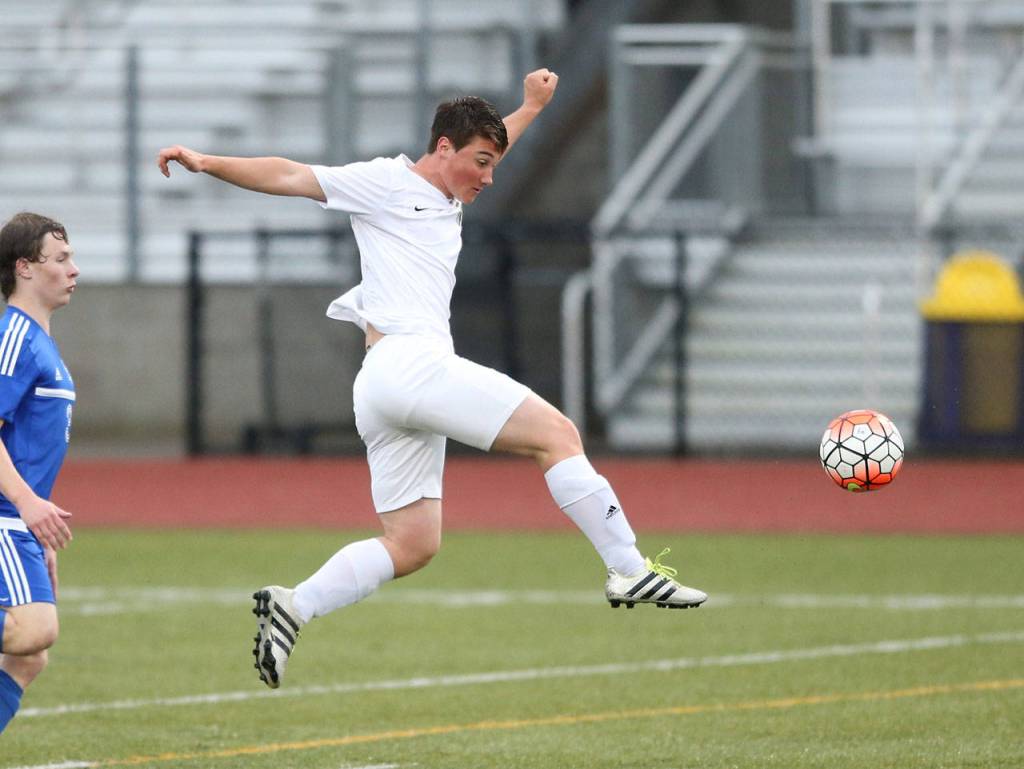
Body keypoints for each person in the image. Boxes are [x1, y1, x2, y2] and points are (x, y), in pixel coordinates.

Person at [157, 69, 706, 689]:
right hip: (410, 365)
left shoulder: (450, 190)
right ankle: (628, 567)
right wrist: (205, 161)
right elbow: (289, 174)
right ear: (441, 148)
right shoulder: (386, 182)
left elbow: (489, 143)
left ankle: (294, 605)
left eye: (493, 163)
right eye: (480, 162)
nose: (488, 176)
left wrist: (530, 108)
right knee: (557, 434)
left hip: (384, 387)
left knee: (413, 542)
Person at [0, 212, 78, 732]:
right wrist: (26, 504)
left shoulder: (40, 341)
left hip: (18, 518)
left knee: (27, 658)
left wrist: (37, 523)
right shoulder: (13, 336)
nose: (74, 269)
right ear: (25, 268)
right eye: (61, 259)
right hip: (4, 511)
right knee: (33, 628)